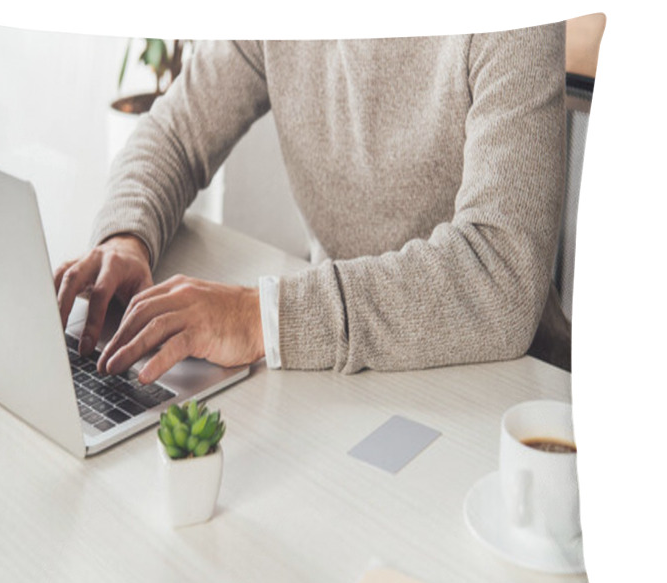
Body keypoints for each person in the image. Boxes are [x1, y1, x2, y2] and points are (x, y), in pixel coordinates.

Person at [55, 25, 567, 384]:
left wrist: (263, 318)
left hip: (503, 387)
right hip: (340, 372)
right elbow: (175, 133)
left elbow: (502, 275)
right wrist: (127, 235)